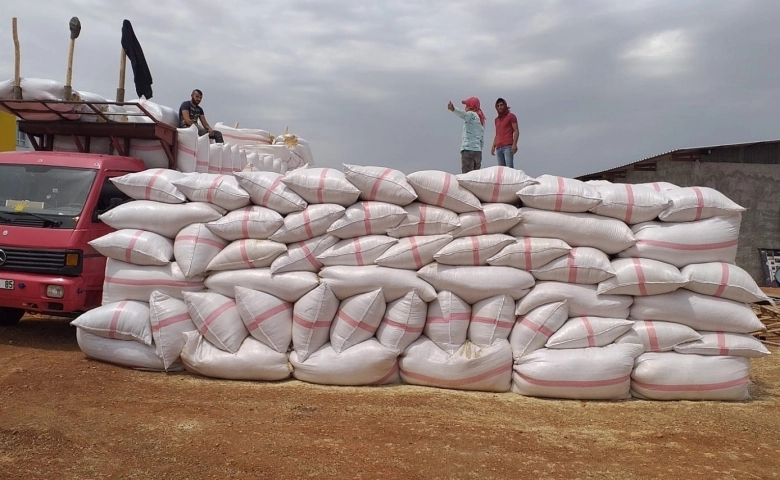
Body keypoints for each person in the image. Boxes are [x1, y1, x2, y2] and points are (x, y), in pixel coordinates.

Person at [448, 97, 485, 174]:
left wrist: (453, 109)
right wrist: (479, 149)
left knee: (467, 177)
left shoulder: (471, 114)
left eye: (467, 105)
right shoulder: (481, 119)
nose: (465, 108)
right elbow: (482, 139)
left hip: (468, 150)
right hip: (478, 152)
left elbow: (463, 114)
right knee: (475, 178)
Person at [490, 98, 518, 168]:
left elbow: (516, 131)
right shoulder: (496, 120)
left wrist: (514, 144)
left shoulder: (511, 116)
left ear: (505, 105)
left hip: (507, 146)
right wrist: (493, 146)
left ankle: (511, 179)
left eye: (501, 105)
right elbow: (497, 134)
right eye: (498, 106)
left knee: (509, 168)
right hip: (498, 147)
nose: (500, 107)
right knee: (501, 169)